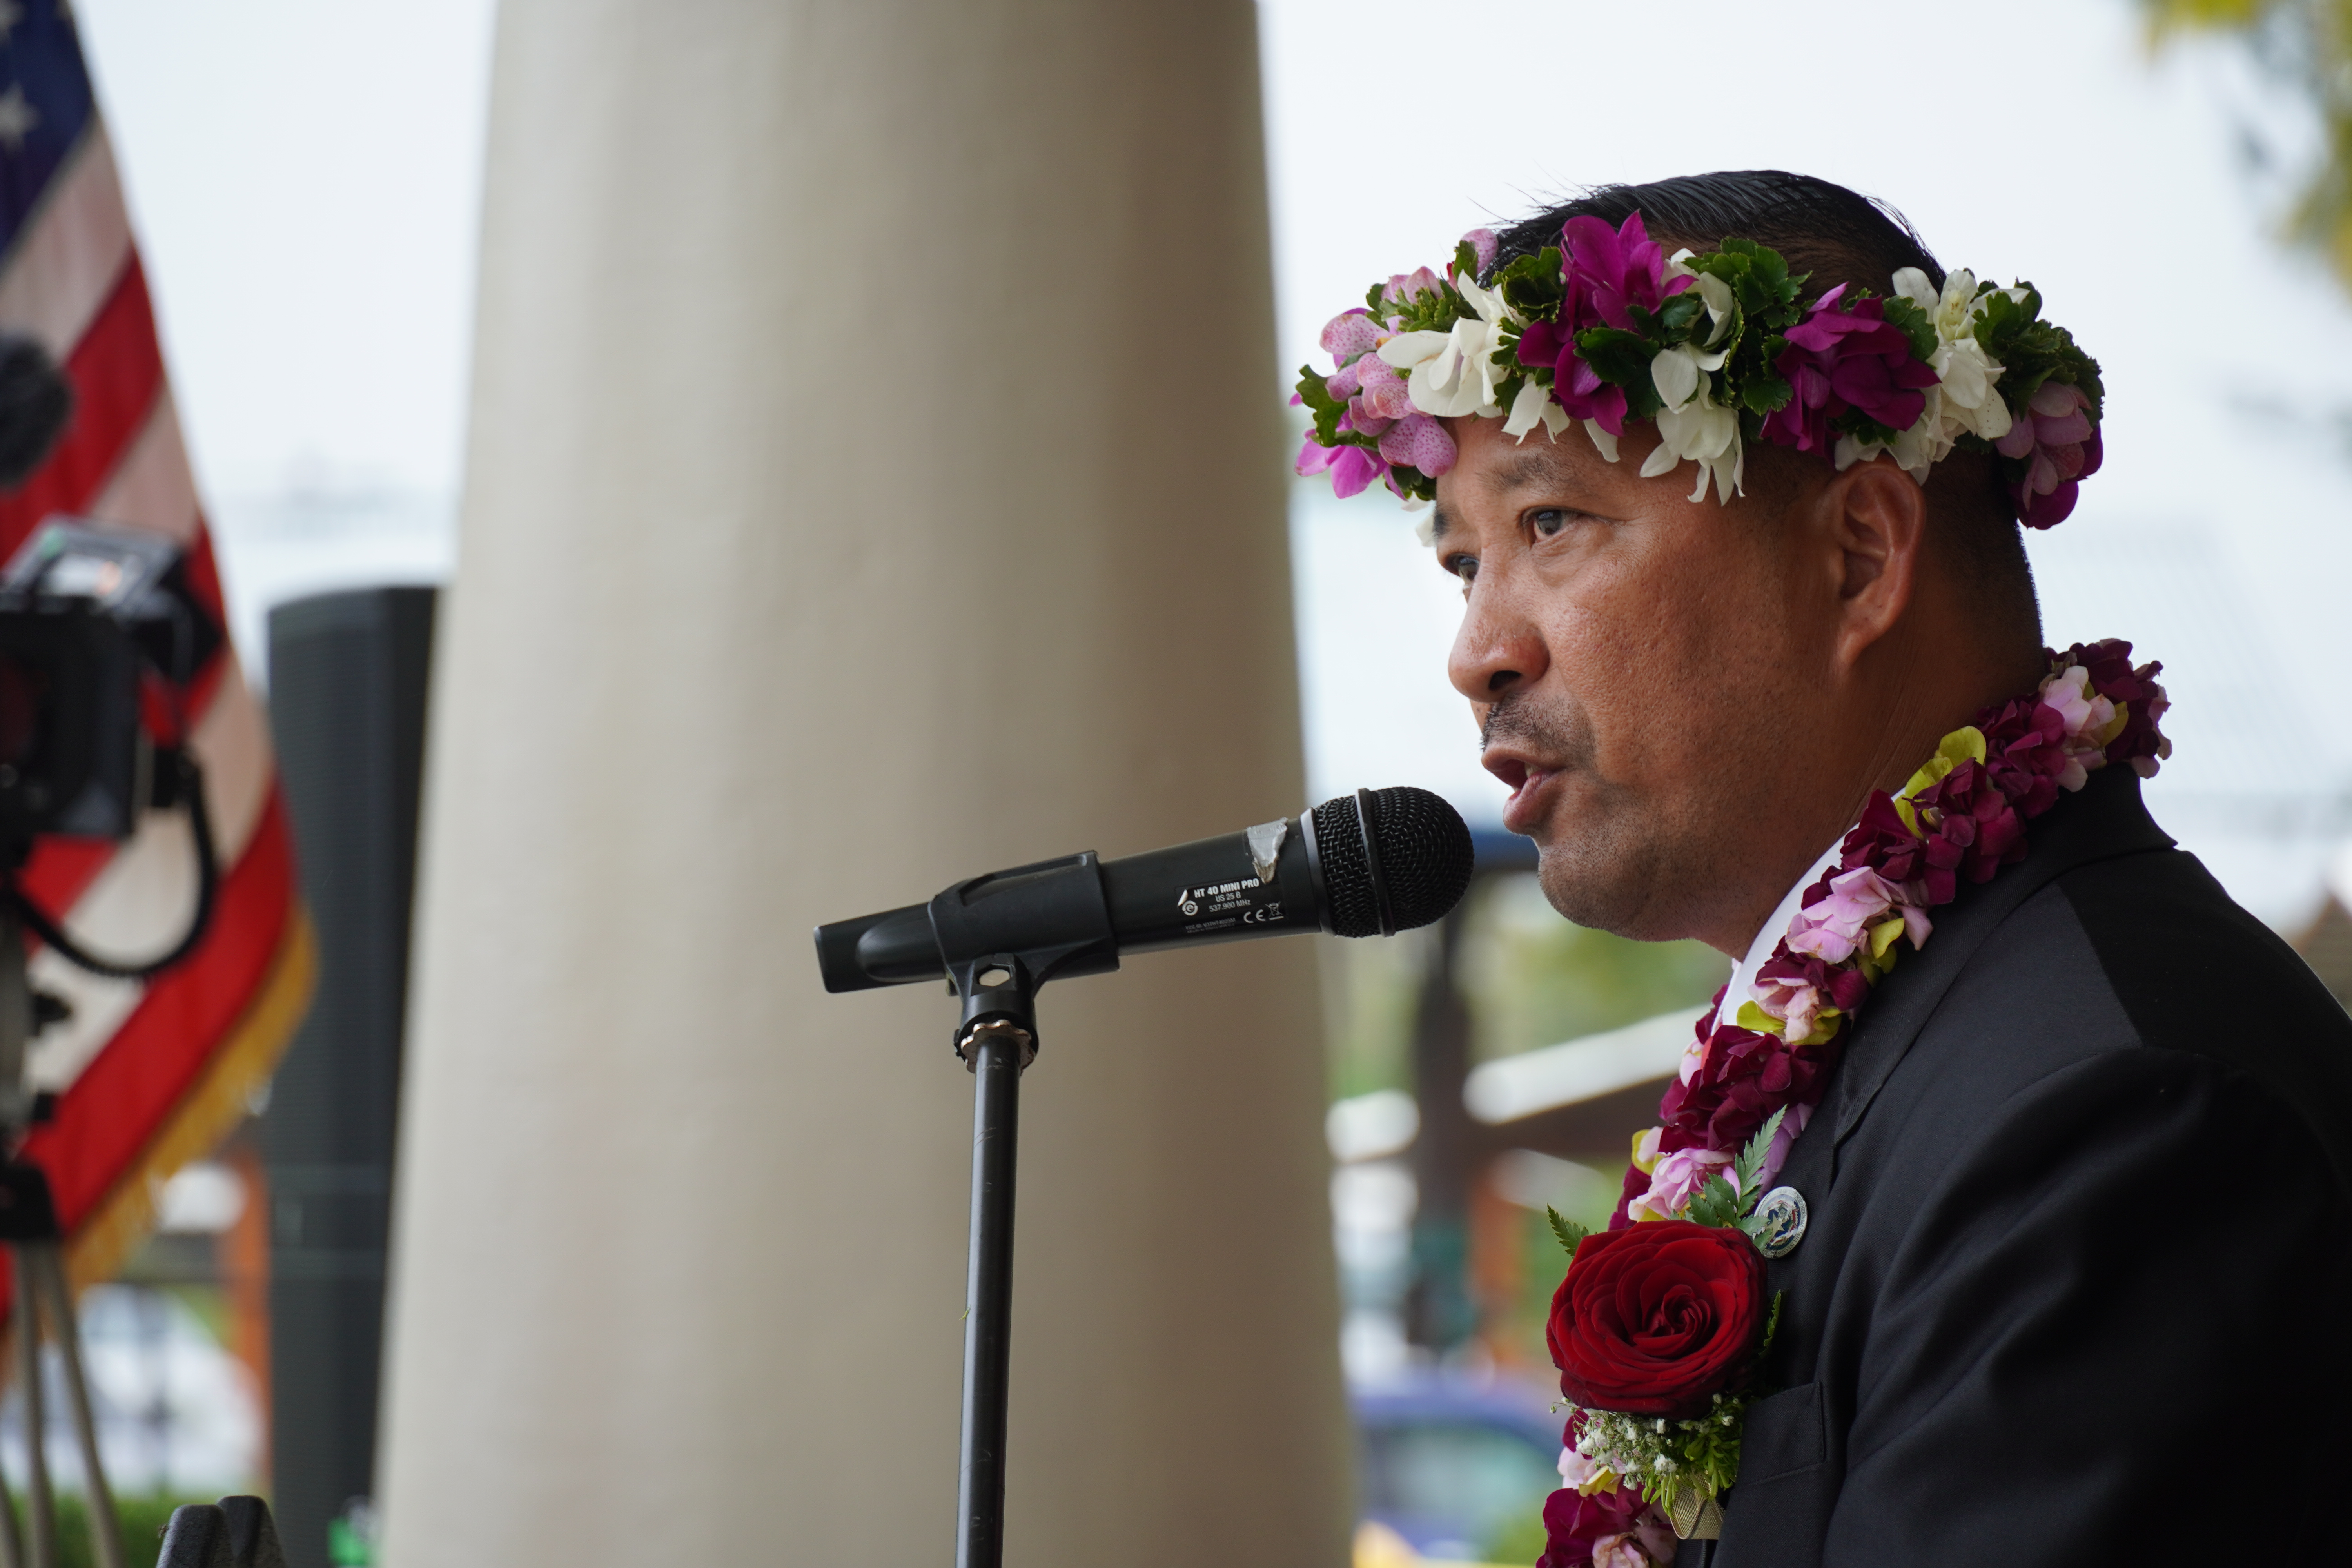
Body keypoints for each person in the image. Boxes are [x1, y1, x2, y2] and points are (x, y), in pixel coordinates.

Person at [1296, 170, 2352, 1566]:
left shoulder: (2116, 1110)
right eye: (1462, 563)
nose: (1478, 652)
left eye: (1550, 524)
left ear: (1858, 557)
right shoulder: (1902, 1041)